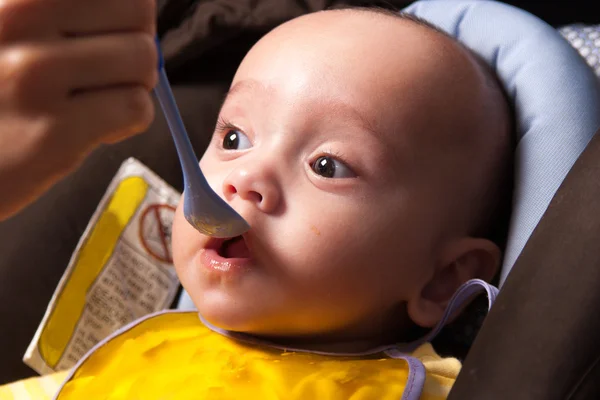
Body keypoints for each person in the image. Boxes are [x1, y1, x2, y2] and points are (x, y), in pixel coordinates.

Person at [0, 4, 512, 399]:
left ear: (443, 278)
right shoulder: (135, 352)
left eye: (327, 165)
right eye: (234, 139)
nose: (245, 177)